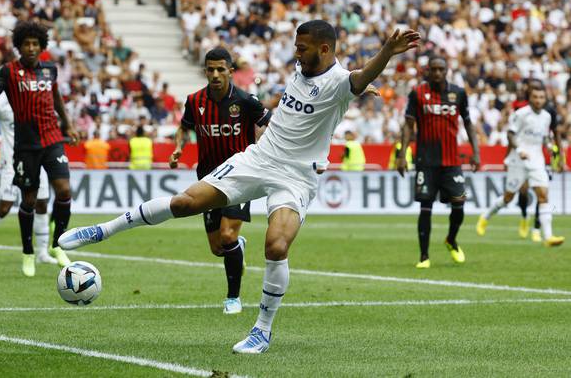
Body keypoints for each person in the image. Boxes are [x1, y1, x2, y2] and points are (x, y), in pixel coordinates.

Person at [59, 20, 420, 354]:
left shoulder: (341, 81)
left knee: (276, 245)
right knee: (186, 203)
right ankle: (103, 230)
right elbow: (344, 86)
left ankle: (261, 330)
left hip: (295, 177)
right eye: (296, 46)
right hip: (258, 158)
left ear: (324, 49)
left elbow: (355, 78)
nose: (296, 53)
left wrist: (385, 53)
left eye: (302, 47)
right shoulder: (303, 69)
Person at [169, 47, 271, 314]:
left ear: (230, 71)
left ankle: (233, 298)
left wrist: (262, 147)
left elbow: (269, 123)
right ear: (205, 71)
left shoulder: (246, 101)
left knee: (226, 235)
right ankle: (238, 246)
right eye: (210, 70)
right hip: (208, 179)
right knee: (218, 248)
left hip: (241, 177)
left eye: (220, 69)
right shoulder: (195, 101)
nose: (215, 75)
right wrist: (179, 147)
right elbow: (184, 126)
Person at [0, 20, 79, 274]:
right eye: (26, 44)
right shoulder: (8, 72)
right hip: (26, 146)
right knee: (29, 200)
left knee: (64, 191)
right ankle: (28, 252)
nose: (31, 48)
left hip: (52, 139)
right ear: (19, 46)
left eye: (35, 44)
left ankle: (57, 245)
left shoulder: (49, 70)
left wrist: (69, 125)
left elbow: (57, 101)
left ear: (42, 46)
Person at [397, 56, 480, 269]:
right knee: (426, 207)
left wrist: (476, 152)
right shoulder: (418, 93)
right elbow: (408, 125)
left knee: (459, 203)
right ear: (427, 71)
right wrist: (402, 154)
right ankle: (424, 256)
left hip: (452, 161)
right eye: (432, 69)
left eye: (440, 69)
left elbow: (469, 124)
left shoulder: (458, 93)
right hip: (426, 160)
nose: (436, 73)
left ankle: (451, 239)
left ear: (446, 71)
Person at [0, 95, 59, 274]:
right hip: (11, 162)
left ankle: (42, 253)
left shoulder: (35, 96)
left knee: (42, 203)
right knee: (4, 208)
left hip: (37, 158)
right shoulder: (0, 102)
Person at [476, 86, 564, 247]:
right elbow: (510, 134)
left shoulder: (546, 117)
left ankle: (548, 236)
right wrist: (519, 150)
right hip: (519, 160)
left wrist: (550, 146)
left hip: (537, 160)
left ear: (545, 99)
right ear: (530, 98)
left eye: (541, 97)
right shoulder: (521, 114)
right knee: (508, 197)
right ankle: (485, 217)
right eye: (535, 97)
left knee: (543, 196)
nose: (538, 100)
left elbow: (544, 137)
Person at [512, 80, 564, 242]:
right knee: (523, 192)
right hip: (523, 155)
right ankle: (524, 216)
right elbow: (515, 133)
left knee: (542, 191)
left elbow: (554, 133)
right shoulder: (521, 109)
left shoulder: (549, 111)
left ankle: (536, 228)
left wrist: (559, 155)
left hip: (541, 156)